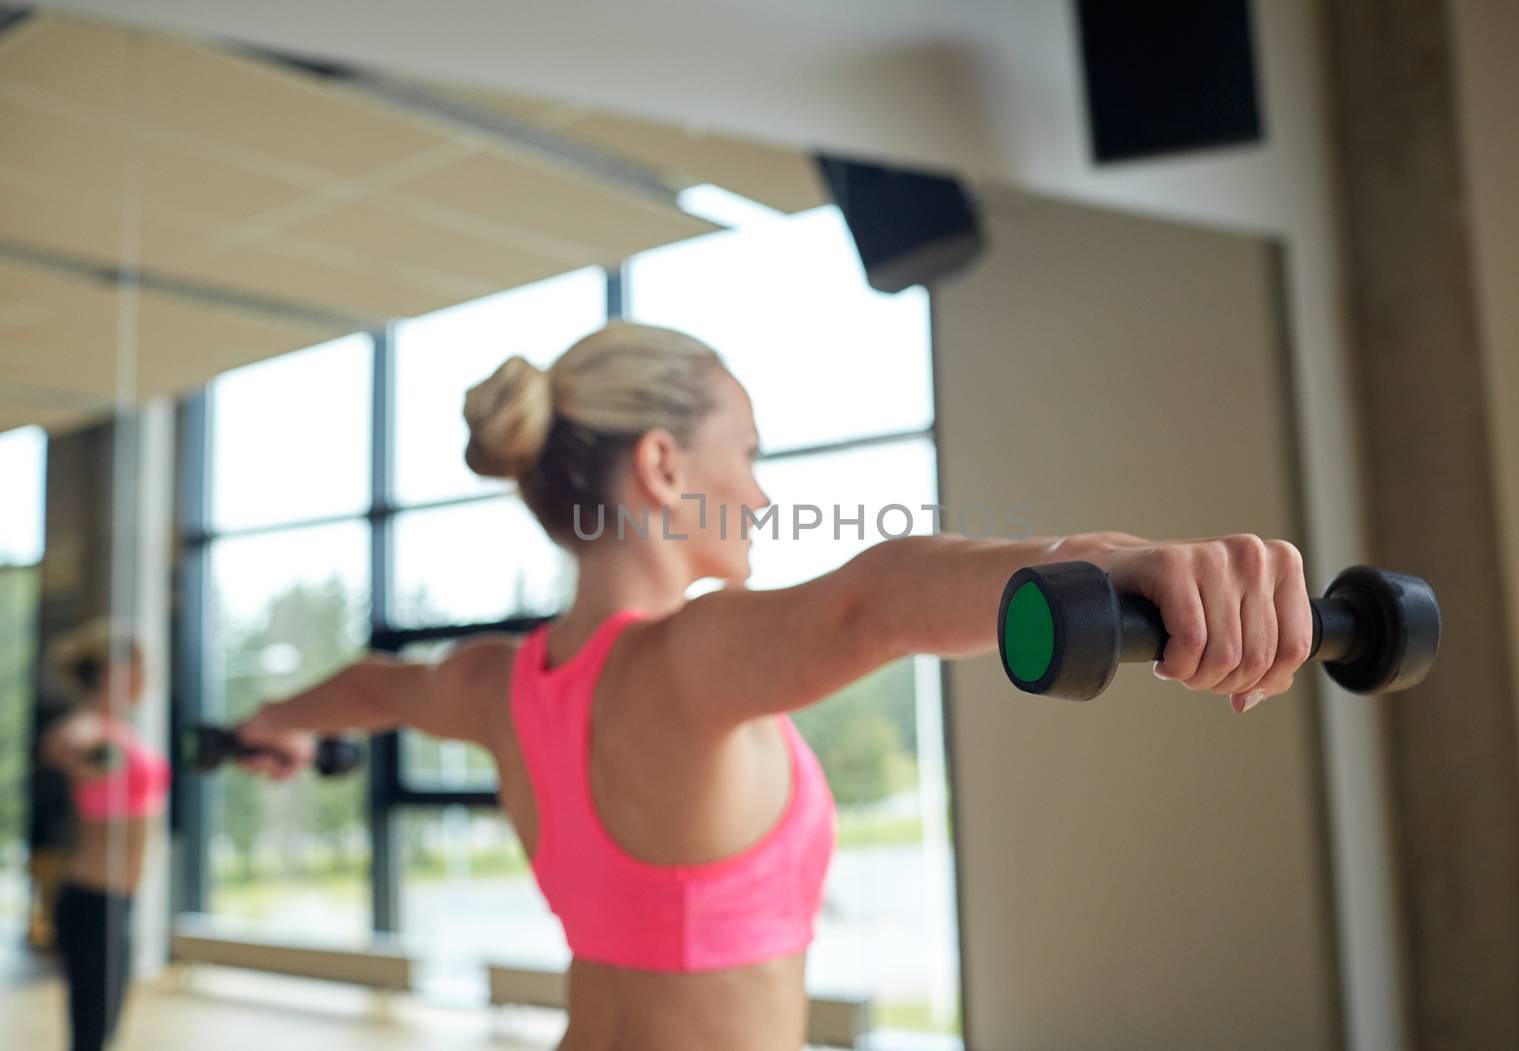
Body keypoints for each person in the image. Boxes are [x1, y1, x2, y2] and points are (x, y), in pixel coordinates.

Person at [234, 321, 1314, 1051]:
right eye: (745, 449)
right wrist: (1110, 559)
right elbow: (872, 600)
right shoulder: (675, 666)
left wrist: (274, 721)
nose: (759, 490)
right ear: (662, 467)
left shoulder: (493, 684)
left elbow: (377, 687)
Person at [39, 620, 170, 1051]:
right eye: (138, 668)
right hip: (92, 899)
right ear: (113, 672)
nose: (145, 679)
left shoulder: (122, 731)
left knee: (107, 1027)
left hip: (119, 899)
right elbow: (64, 742)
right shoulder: (89, 725)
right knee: (92, 1032)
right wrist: (84, 754)